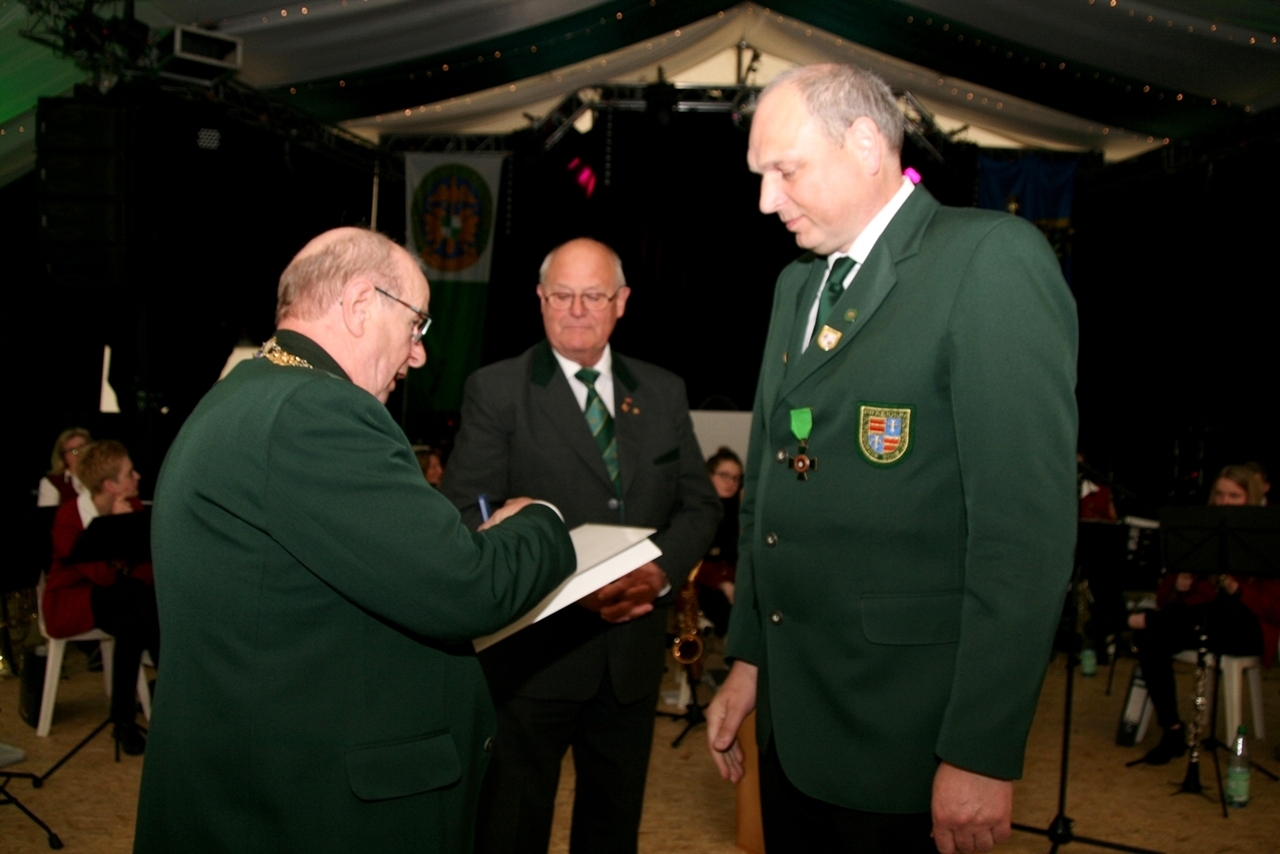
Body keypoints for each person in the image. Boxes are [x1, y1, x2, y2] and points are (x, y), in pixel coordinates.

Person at [705, 64, 1078, 854]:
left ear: (867, 144)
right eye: (761, 175)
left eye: (785, 170)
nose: (767, 201)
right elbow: (770, 489)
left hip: (908, 729)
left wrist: (980, 748)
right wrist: (750, 660)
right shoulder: (797, 285)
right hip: (794, 721)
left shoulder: (988, 260)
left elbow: (1023, 536)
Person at [133, 228, 576, 854]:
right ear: (362, 302)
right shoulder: (315, 411)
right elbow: (468, 586)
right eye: (416, 326)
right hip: (306, 806)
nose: (418, 356)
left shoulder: (247, 394)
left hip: (259, 779)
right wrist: (542, 518)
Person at [442, 237, 721, 854]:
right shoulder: (497, 390)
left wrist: (658, 573)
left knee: (612, 833)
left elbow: (700, 505)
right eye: (562, 295)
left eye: (592, 296)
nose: (576, 310)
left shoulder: (663, 391)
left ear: (621, 302)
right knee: (511, 833)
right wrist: (569, 585)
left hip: (630, 663)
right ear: (540, 300)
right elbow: (466, 515)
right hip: (531, 665)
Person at [1126, 464, 1280, 765]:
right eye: (1219, 494)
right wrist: (1178, 586)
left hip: (1246, 629)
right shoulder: (1201, 531)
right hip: (1197, 624)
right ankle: (1172, 730)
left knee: (1223, 609)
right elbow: (1165, 596)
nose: (1224, 502)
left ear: (1249, 498)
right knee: (1150, 636)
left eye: (1234, 496)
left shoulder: (1266, 536)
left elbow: (1274, 609)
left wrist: (1237, 589)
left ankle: (1133, 619)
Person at [44, 439, 159, 754]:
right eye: (129, 473)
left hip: (121, 599)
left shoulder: (133, 506)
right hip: (71, 602)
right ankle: (171, 688)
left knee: (133, 615)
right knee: (137, 603)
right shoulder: (70, 517)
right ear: (110, 485)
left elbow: (146, 567)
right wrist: (115, 527)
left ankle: (123, 722)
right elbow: (103, 576)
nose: (137, 477)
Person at [696, 447, 743, 636]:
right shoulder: (696, 512)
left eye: (736, 478)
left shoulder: (740, 513)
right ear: (709, 475)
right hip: (703, 585)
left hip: (734, 581)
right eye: (724, 475)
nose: (731, 483)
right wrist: (723, 583)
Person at [37, 427, 91, 506]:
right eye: (73, 450)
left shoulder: (104, 477)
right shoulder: (53, 482)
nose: (79, 452)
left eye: (82, 447)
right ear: (64, 458)